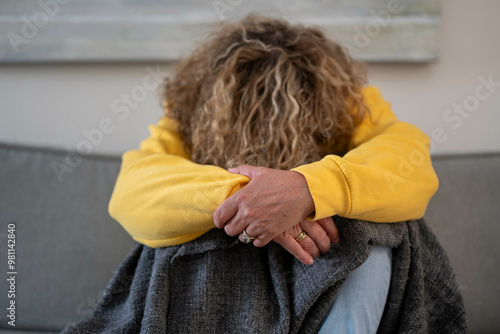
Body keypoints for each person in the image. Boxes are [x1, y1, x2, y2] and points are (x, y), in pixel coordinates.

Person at [107, 15, 439, 332]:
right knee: (169, 226)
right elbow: (132, 188)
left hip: (320, 266)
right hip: (225, 271)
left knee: (383, 226)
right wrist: (247, 199)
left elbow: (409, 158)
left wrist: (307, 189)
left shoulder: (349, 99)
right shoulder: (188, 108)